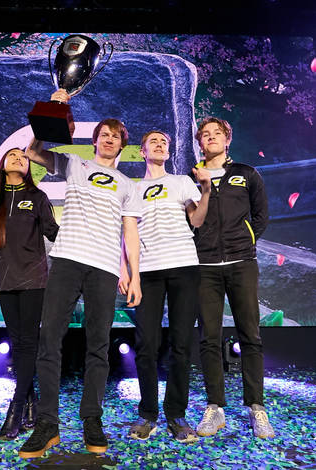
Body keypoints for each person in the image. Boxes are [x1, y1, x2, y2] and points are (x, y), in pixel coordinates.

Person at [18, 89, 143, 459]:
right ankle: (47, 424)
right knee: (49, 340)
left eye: (115, 136)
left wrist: (132, 274)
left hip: (104, 268)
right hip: (68, 260)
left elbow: (130, 232)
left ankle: (92, 418)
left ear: (122, 145)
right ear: (95, 140)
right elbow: (33, 152)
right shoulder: (74, 164)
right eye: (104, 134)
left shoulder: (128, 185)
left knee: (98, 346)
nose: (109, 139)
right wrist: (54, 108)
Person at [191, 117, 275, 439]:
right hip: (205, 266)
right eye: (205, 134)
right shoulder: (191, 177)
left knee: (250, 336)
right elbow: (189, 219)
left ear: (227, 139)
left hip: (242, 263)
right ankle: (215, 408)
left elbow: (261, 215)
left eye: (217, 133)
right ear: (200, 142)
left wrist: (247, 239)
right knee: (209, 338)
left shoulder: (247, 173)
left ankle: (257, 408)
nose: (211, 138)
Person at [126, 131, 211, 443]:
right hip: (147, 271)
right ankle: (147, 414)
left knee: (181, 343)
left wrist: (206, 190)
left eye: (164, 142)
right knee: (146, 344)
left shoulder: (182, 182)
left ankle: (176, 414)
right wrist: (128, 272)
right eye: (154, 142)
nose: (160, 145)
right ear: (142, 151)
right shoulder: (133, 187)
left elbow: (197, 220)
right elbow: (128, 233)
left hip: (183, 266)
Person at [0, 147, 59, 440]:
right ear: (2, 165)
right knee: (17, 344)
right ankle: (31, 400)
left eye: (24, 157)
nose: (19, 159)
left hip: (34, 280)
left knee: (28, 343)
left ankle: (16, 408)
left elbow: (54, 232)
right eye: (13, 156)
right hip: (5, 280)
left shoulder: (37, 197)